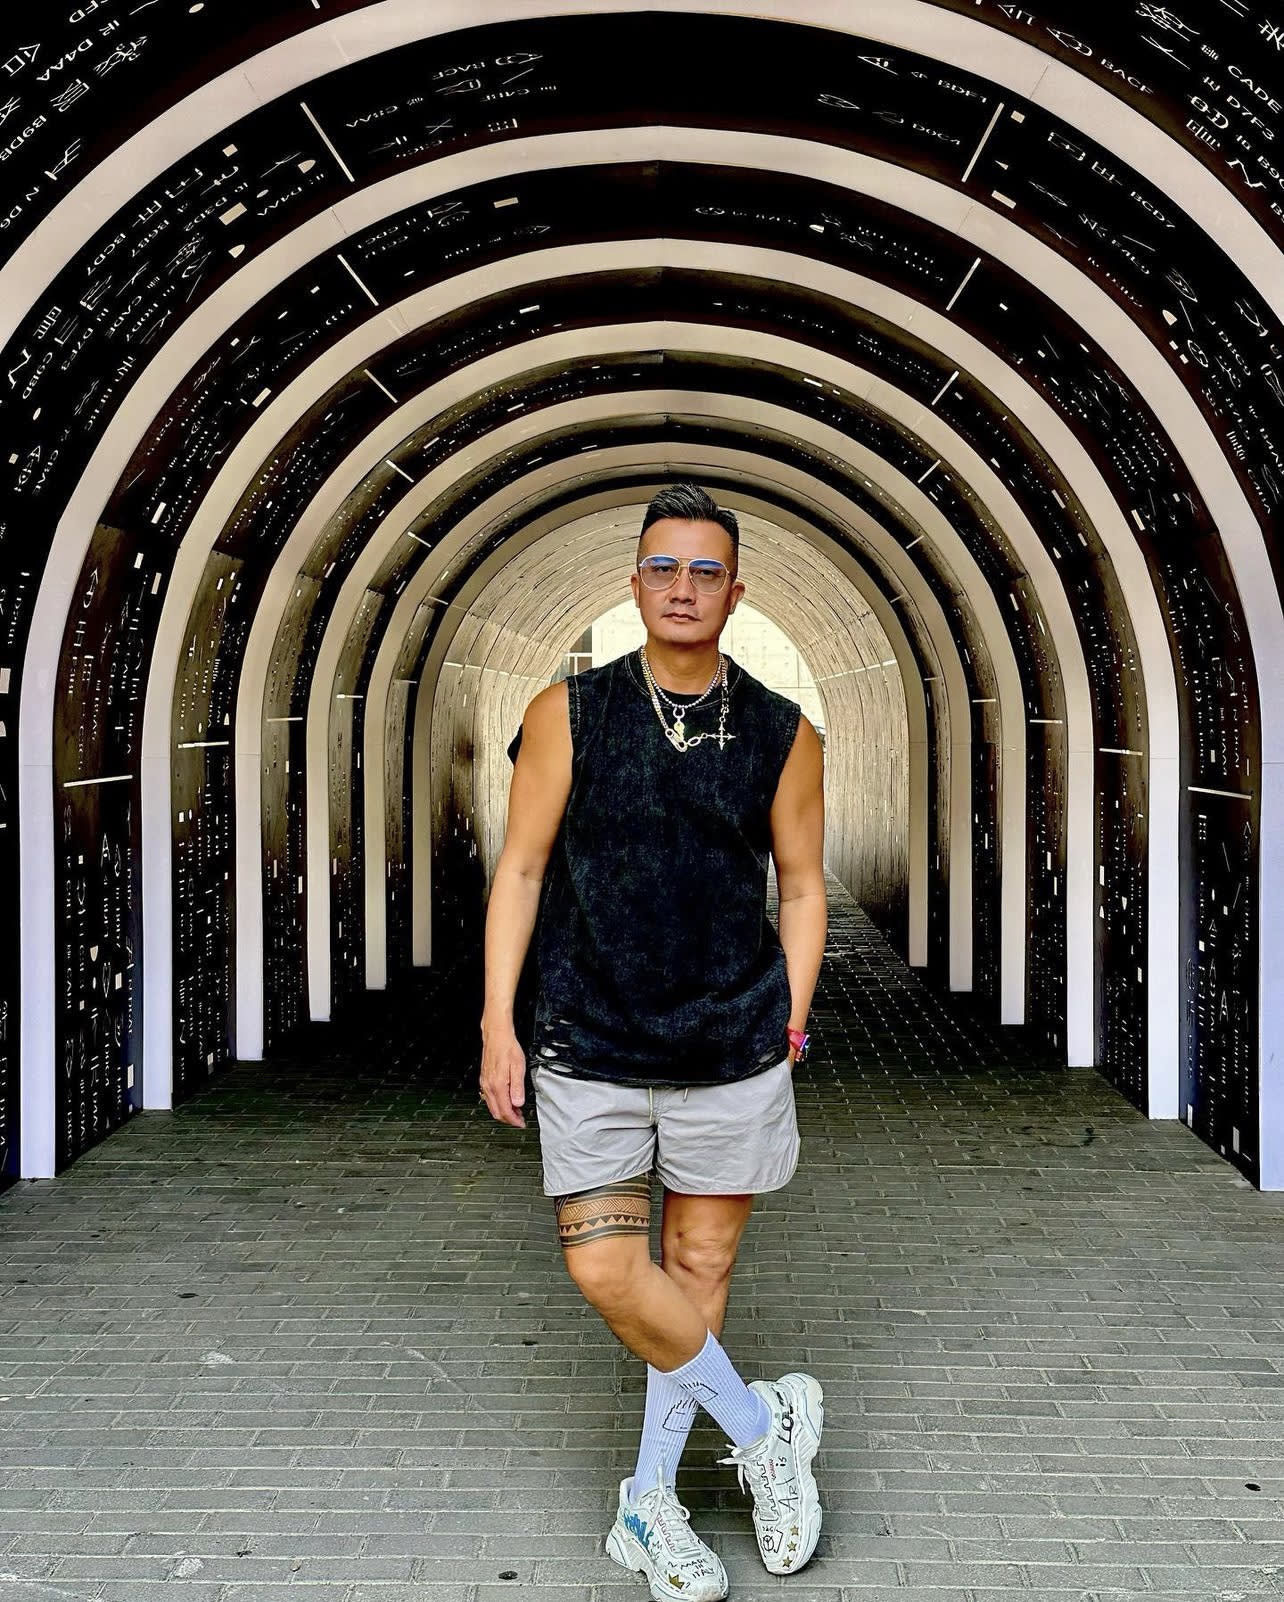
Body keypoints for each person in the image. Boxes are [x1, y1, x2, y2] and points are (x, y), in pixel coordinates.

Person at [479, 484, 828, 1601]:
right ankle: (764, 1426)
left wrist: (791, 1016)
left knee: (699, 1275)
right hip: (589, 1041)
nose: (684, 588)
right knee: (605, 1267)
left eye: (706, 570)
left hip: (729, 1044)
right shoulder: (568, 713)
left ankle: (650, 1506)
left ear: (737, 590)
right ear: (633, 584)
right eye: (664, 568)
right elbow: (522, 868)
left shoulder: (783, 732)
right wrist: (497, 1021)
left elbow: (804, 886)